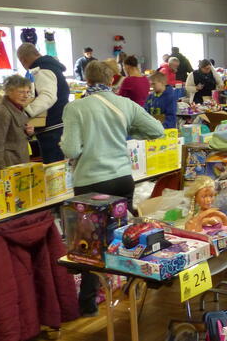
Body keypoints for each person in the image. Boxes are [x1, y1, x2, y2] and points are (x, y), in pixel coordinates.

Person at [60, 61, 164, 316]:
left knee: (88, 244)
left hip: (89, 182)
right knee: (124, 235)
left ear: (86, 80)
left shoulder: (75, 108)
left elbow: (71, 149)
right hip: (121, 178)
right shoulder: (125, 104)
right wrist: (127, 132)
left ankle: (88, 303)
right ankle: (133, 284)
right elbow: (157, 130)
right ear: (112, 79)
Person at [16, 43, 69, 164]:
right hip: (58, 125)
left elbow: (48, 97)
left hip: (52, 128)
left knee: (53, 168)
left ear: (23, 60)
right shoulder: (51, 67)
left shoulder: (42, 70)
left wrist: (26, 113)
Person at [0, 75, 33, 180]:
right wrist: (2, 174)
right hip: (8, 167)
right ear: (9, 91)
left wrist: (28, 133)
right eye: (21, 92)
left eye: (28, 92)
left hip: (18, 165)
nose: (25, 96)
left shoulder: (18, 109)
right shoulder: (2, 113)